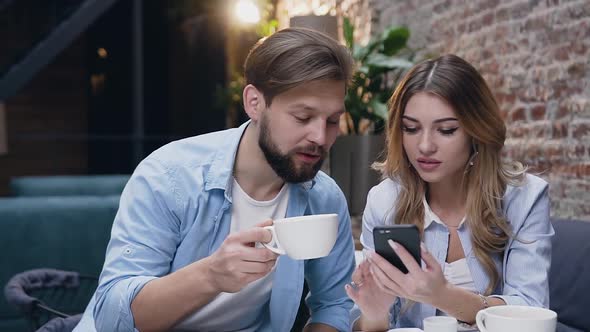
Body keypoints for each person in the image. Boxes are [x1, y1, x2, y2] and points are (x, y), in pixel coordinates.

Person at [73, 27, 356, 332]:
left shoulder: (323, 197)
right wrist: (210, 276)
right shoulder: (169, 177)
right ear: (254, 103)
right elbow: (112, 319)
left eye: (332, 121)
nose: (319, 136)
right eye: (302, 117)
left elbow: (335, 304)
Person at [345, 54, 554, 330]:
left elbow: (531, 309)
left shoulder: (524, 199)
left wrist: (442, 295)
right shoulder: (385, 201)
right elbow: (380, 324)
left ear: (476, 131)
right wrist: (373, 314)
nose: (425, 146)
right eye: (411, 128)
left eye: (446, 130)